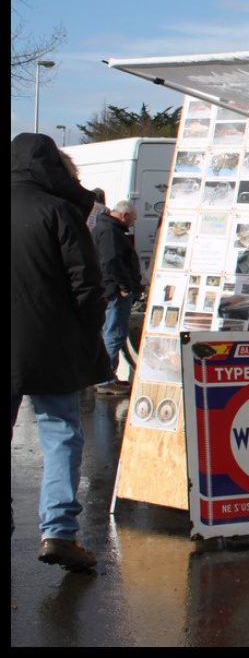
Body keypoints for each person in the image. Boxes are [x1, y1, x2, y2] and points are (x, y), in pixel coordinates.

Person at [11, 132, 112, 570]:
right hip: (50, 344)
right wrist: (85, 340)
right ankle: (58, 533)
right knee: (60, 435)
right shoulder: (59, 211)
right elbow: (88, 288)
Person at [92, 200, 143, 396]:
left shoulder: (106, 228)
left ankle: (107, 376)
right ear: (125, 215)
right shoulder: (110, 231)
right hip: (114, 290)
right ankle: (106, 379)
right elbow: (112, 260)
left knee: (113, 333)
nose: (132, 224)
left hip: (111, 289)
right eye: (133, 219)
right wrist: (124, 286)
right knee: (114, 333)